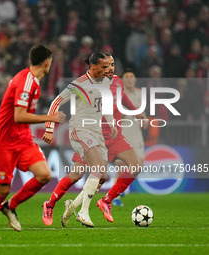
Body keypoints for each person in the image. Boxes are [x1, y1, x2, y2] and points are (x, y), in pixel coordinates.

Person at [42, 54, 143, 227]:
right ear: (93, 66)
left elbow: (108, 103)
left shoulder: (109, 81)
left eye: (111, 65)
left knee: (102, 177)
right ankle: (63, 207)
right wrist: (49, 128)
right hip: (82, 131)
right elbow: (56, 102)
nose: (110, 69)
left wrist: (114, 121)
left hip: (101, 134)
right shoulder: (79, 84)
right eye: (105, 66)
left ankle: (74, 206)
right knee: (79, 174)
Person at [0, 45, 65, 240]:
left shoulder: (33, 80)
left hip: (21, 138)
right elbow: (19, 116)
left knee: (44, 174)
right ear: (47, 62)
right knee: (3, 189)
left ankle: (10, 206)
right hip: (3, 140)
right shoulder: (26, 82)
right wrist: (50, 118)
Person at [112, 69, 147, 207]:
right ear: (122, 80)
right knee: (120, 166)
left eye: (131, 76)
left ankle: (123, 186)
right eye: (126, 77)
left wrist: (144, 119)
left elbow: (141, 110)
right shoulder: (119, 94)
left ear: (135, 79)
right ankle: (115, 197)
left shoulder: (139, 93)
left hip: (136, 133)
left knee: (140, 163)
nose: (129, 79)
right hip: (123, 132)